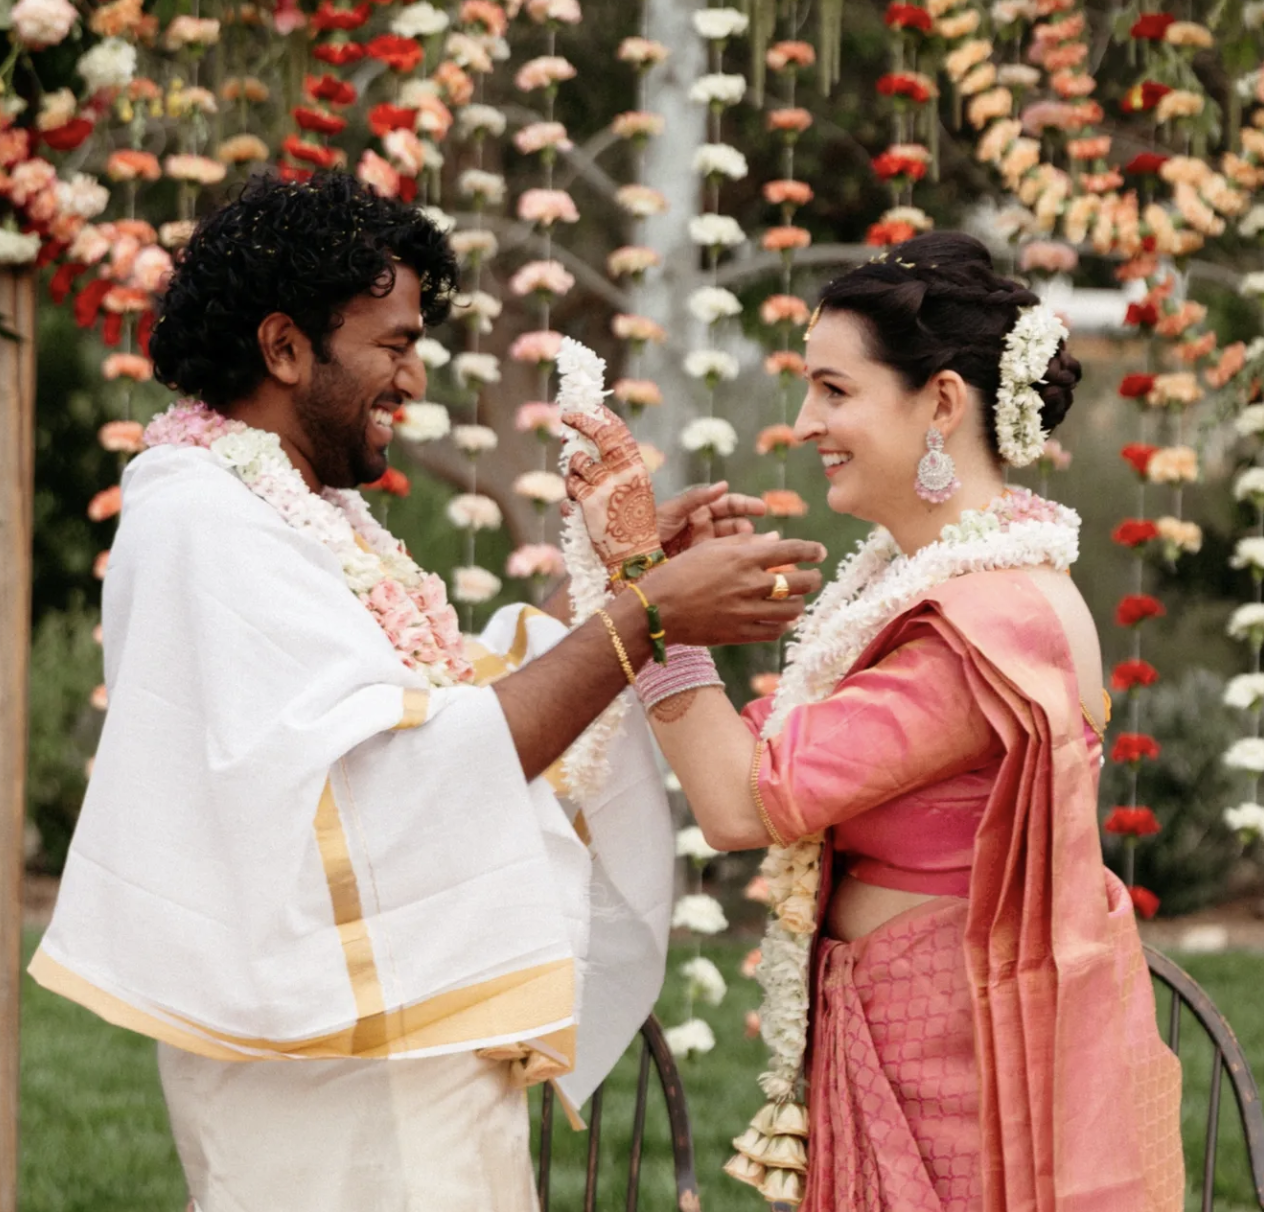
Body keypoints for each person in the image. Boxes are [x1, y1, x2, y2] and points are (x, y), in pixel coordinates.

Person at [27, 171, 827, 1212]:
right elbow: (399, 773)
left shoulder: (298, 510)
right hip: (324, 1066)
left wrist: (606, 584)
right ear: (283, 347)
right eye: (393, 345)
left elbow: (442, 701)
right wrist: (649, 617)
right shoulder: (205, 521)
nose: (413, 380)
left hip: (403, 1033)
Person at [565, 231, 1184, 1212]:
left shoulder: (987, 619)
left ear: (940, 402)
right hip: (907, 1029)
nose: (805, 422)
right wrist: (668, 604)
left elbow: (741, 800)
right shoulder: (923, 584)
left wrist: (647, 603)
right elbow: (772, 751)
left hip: (953, 1062)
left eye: (834, 390)